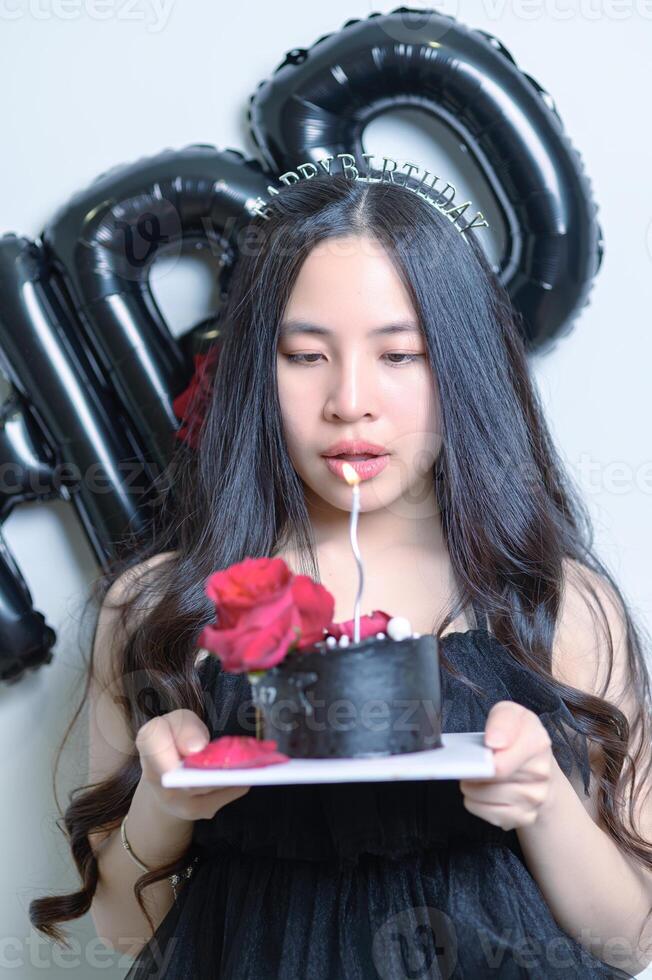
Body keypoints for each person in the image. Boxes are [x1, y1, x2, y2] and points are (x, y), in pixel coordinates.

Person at [29, 163, 652, 978]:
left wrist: (543, 801)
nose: (349, 400)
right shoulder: (161, 608)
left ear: (462, 370)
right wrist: (164, 802)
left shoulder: (554, 600)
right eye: (305, 355)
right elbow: (119, 930)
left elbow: (632, 936)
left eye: (400, 354)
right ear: (258, 370)